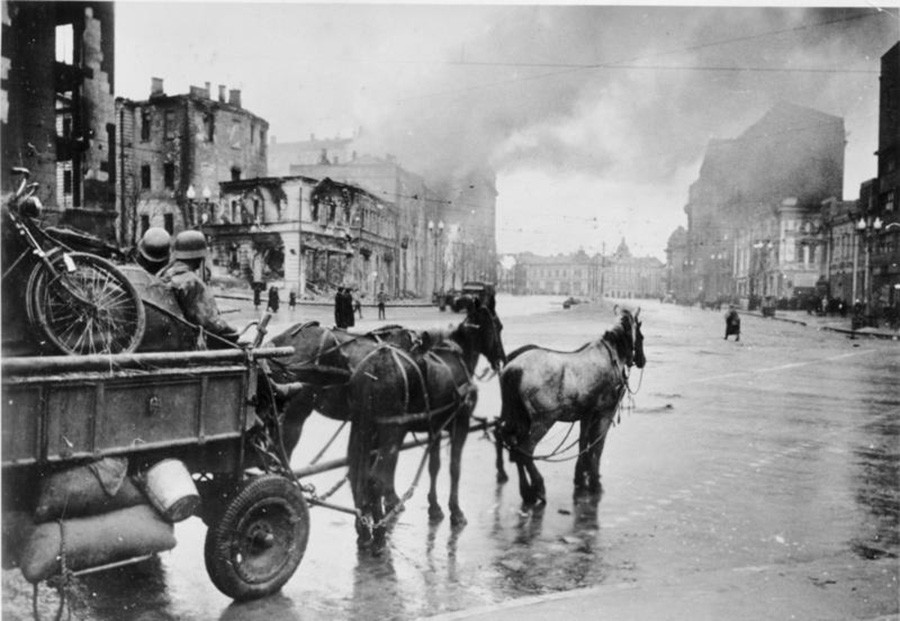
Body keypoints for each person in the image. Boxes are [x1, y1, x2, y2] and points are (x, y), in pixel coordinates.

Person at [157, 230, 239, 349]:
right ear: (199, 257)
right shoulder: (192, 282)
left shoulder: (164, 275)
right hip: (187, 345)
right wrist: (231, 331)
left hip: (166, 340)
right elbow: (211, 323)